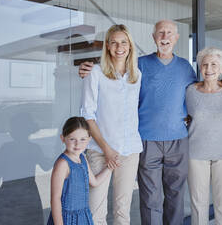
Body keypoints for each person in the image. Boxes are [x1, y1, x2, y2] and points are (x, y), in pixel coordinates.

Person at [79, 20, 197, 225]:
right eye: (160, 32)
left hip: (156, 143)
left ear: (177, 37)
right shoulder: (136, 66)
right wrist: (84, 68)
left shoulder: (176, 68)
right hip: (134, 143)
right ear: (153, 37)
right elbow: (90, 108)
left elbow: (197, 93)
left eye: (169, 33)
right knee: (144, 199)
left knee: (164, 200)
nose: (165, 37)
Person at [81, 24, 142, 224]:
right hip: (100, 151)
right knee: (96, 210)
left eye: (123, 42)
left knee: (123, 210)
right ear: (107, 46)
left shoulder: (136, 76)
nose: (119, 47)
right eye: (114, 42)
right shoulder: (95, 73)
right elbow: (87, 116)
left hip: (130, 150)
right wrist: (106, 149)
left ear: (130, 46)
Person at [185, 47, 222, 225]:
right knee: (198, 205)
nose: (209, 68)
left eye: (214, 64)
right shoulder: (190, 91)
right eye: (204, 64)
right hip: (196, 155)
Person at [47, 116, 113, 225]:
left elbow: (94, 182)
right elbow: (55, 199)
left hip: (83, 217)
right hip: (66, 219)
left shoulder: (82, 158)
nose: (78, 144)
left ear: (89, 139)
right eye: (72, 139)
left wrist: (109, 168)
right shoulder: (62, 164)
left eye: (83, 139)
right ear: (63, 138)